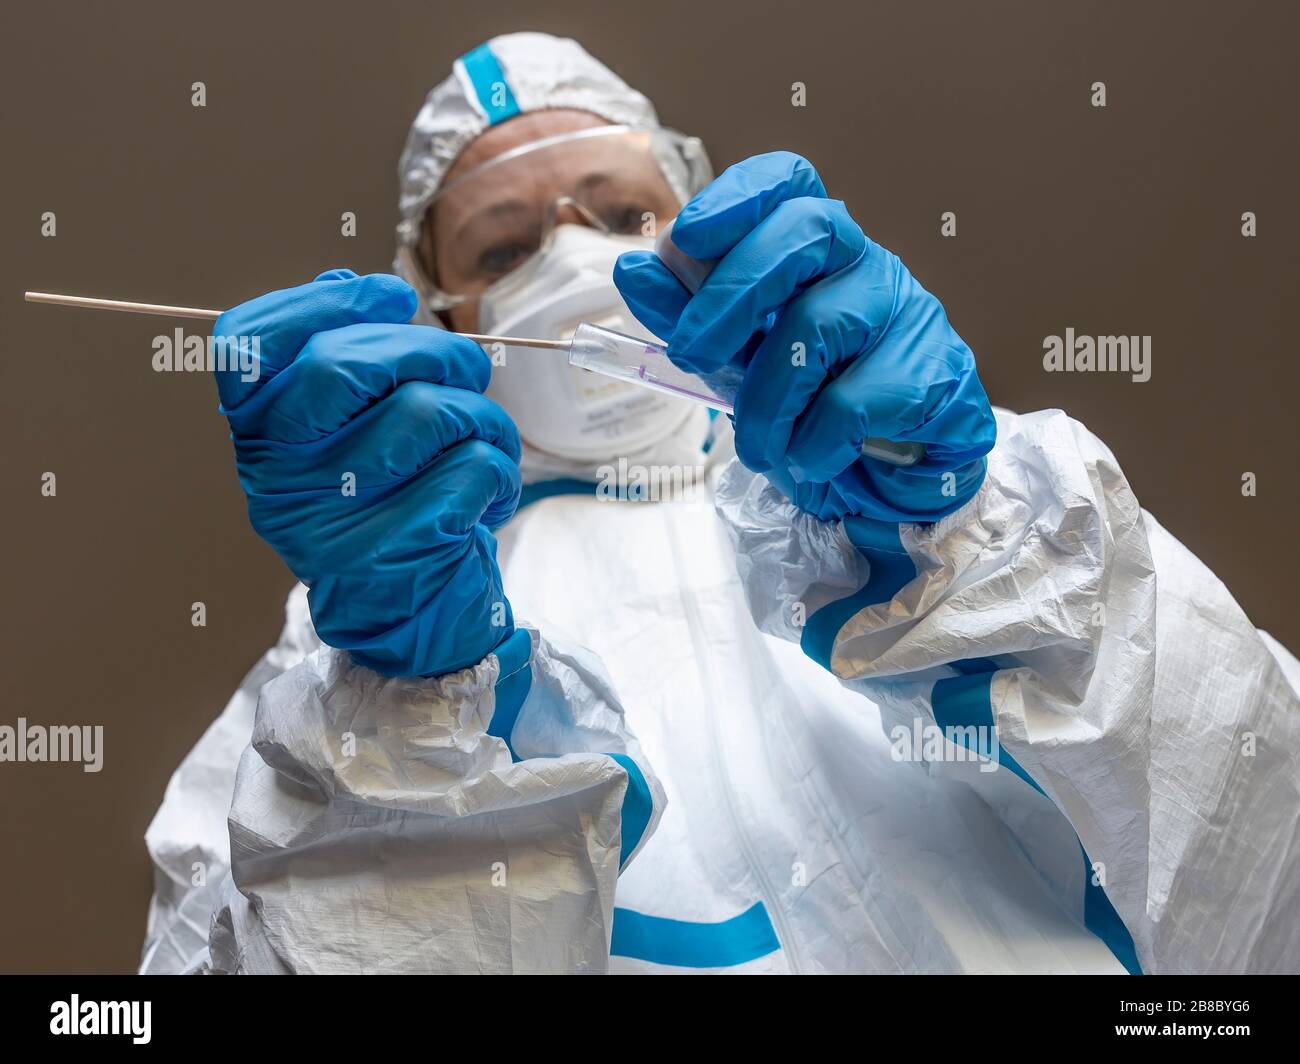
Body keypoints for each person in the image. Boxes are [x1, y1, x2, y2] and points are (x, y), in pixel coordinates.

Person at [139, 32, 1300, 975]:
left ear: (699, 239)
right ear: (439, 317)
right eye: (502, 251)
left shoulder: (918, 494)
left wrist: (955, 522)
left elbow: (1255, 843)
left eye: (620, 216)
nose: (574, 260)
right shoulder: (351, 652)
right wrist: (410, 721)